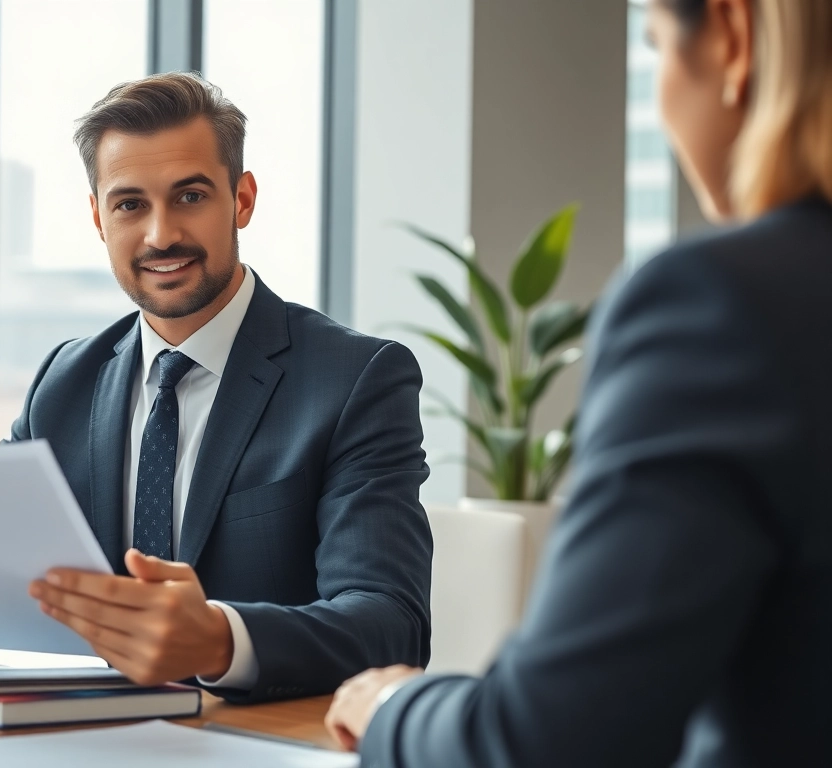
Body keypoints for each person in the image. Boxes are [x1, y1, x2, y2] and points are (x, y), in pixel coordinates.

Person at [0, 73, 434, 703]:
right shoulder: (63, 383)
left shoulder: (355, 379)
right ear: (99, 218)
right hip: (84, 738)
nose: (161, 235)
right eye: (130, 204)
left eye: (189, 196)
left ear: (241, 199)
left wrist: (219, 639)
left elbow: (391, 623)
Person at [325, 0, 832, 764]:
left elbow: (550, 743)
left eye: (657, 46)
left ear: (730, 37)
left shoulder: (730, 304)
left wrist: (392, 705)